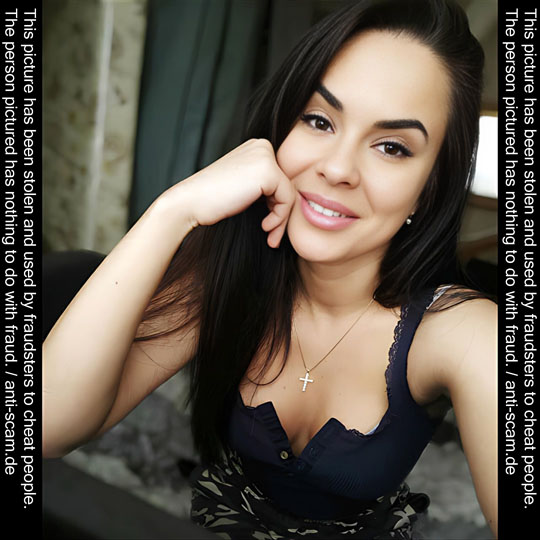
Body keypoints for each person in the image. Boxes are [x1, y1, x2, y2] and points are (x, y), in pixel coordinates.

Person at [42, 0, 497, 538]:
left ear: (432, 185)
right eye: (319, 120)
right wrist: (173, 210)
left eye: (392, 147)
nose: (337, 168)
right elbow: (46, 426)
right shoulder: (229, 263)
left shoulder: (461, 332)